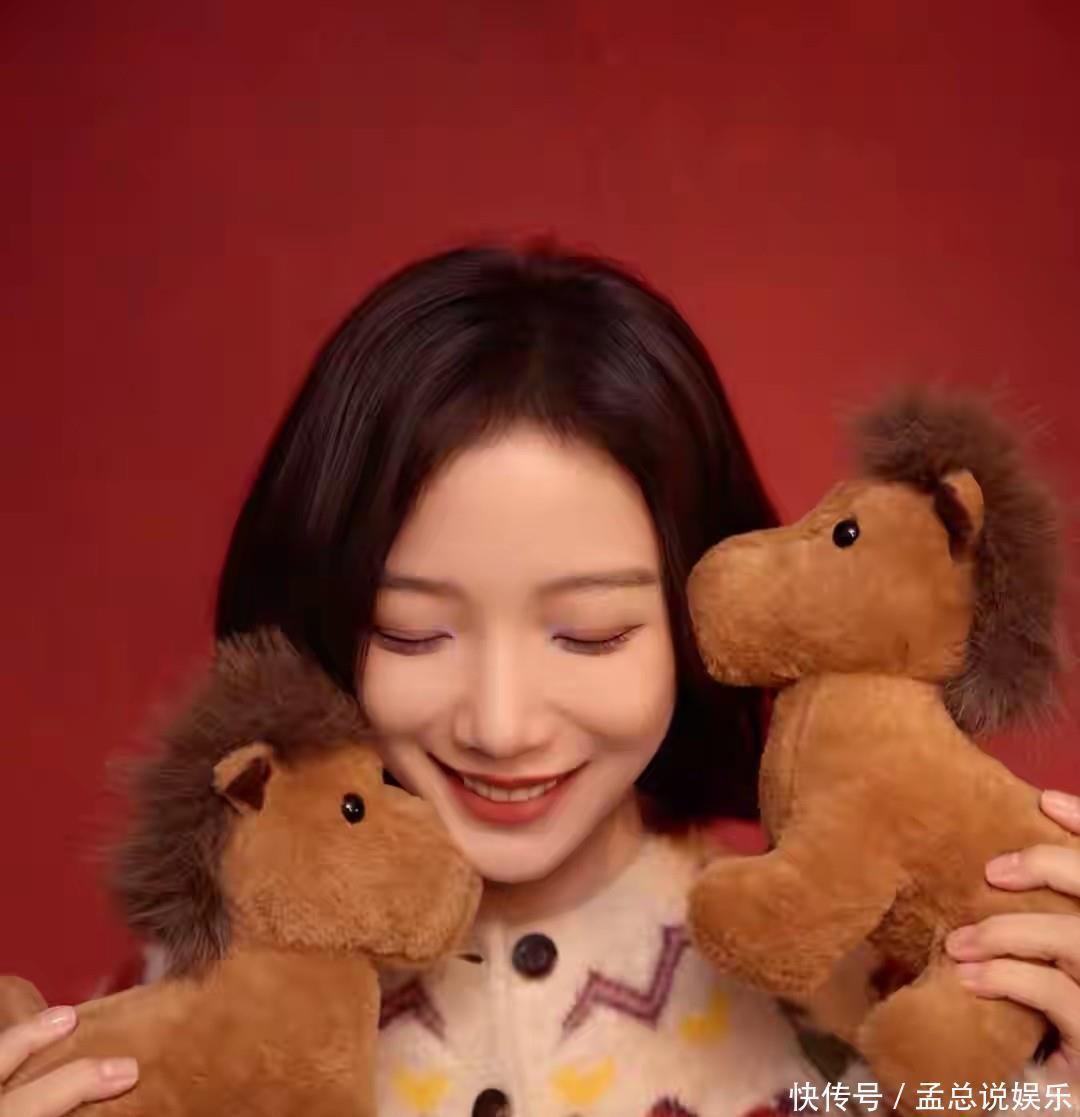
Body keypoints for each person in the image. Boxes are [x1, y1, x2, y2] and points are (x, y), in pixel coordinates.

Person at [4, 244, 1079, 1117]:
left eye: (590, 634)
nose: (502, 724)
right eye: (413, 633)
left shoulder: (867, 986)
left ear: (702, 619)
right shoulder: (189, 1020)